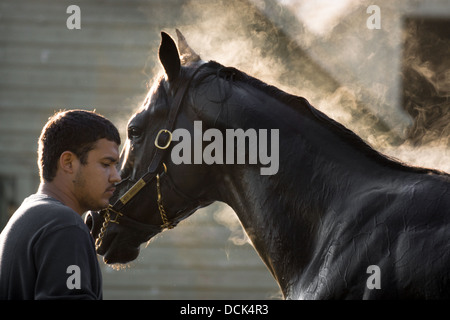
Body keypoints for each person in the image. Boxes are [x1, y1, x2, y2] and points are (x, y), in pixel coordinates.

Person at [0, 110, 121, 299]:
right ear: (68, 163)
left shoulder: (26, 215)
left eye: (116, 166)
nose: (116, 177)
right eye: (106, 164)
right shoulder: (64, 226)